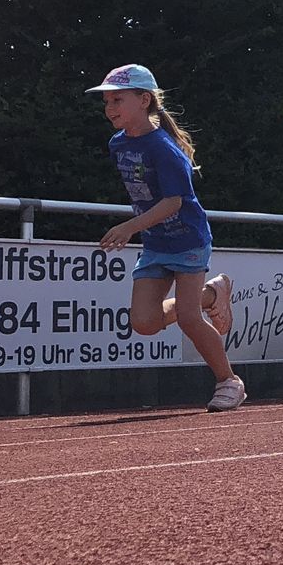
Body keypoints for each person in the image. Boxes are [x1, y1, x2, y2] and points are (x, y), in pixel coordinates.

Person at [87, 64, 242, 413]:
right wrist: (141, 228)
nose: (110, 108)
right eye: (107, 102)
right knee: (144, 323)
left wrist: (129, 227)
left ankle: (229, 382)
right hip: (156, 244)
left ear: (144, 100)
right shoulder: (117, 144)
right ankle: (212, 294)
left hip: (188, 240)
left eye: (117, 100)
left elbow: (174, 202)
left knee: (188, 318)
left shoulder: (164, 149)